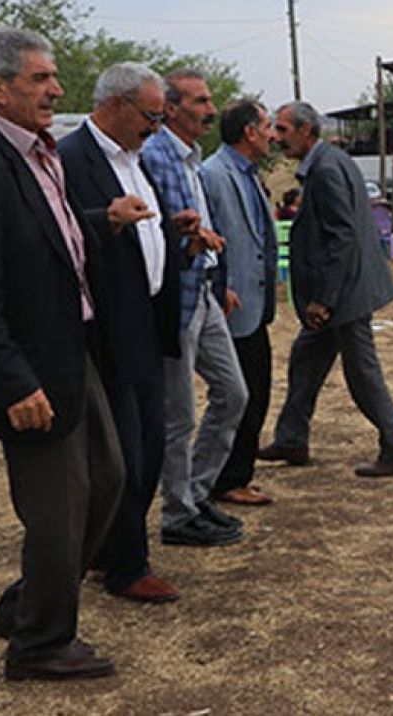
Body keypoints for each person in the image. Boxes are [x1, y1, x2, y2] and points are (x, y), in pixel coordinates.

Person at [0, 27, 125, 681]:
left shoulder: (40, 153)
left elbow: (44, 241)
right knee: (57, 512)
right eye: (39, 79)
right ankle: (39, 645)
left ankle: (27, 604)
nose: (56, 89)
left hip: (70, 349)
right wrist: (9, 381)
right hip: (29, 372)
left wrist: (100, 219)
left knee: (110, 478)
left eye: (53, 77)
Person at [59, 62, 185, 604]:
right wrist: (104, 218)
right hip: (107, 331)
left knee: (150, 447)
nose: (156, 127)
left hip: (147, 324)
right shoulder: (70, 160)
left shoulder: (137, 159)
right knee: (125, 456)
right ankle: (126, 566)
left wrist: (174, 235)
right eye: (151, 116)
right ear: (114, 105)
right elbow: (54, 235)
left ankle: (111, 549)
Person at [257, 101, 393, 477]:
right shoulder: (330, 160)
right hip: (346, 288)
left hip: (344, 293)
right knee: (305, 359)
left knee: (362, 373)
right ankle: (292, 438)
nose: (276, 138)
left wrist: (323, 300)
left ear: (306, 132)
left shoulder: (326, 169)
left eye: (283, 130)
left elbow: (341, 238)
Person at [141, 69, 248, 546]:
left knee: (233, 393)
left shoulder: (190, 157)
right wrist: (188, 239)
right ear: (170, 107)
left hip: (203, 289)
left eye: (209, 101)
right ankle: (178, 515)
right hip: (177, 298)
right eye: (200, 101)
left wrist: (214, 276)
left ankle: (196, 492)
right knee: (179, 414)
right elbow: (155, 226)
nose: (209, 110)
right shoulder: (155, 155)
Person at [202, 100, 280, 506]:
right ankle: (224, 479)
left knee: (257, 390)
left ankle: (234, 473)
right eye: (267, 126)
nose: (273, 135)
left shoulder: (247, 174)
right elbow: (208, 236)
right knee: (238, 394)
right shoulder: (215, 175)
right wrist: (220, 286)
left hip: (253, 305)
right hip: (231, 308)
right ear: (249, 132)